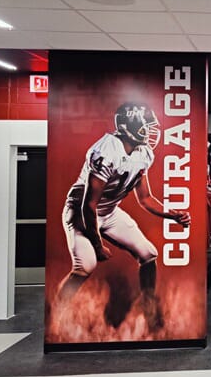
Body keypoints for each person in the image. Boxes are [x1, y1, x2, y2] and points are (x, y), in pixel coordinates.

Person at [55, 102, 190, 329]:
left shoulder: (143, 153)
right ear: (130, 127)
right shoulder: (106, 151)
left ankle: (149, 307)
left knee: (148, 254)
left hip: (108, 211)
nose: (152, 132)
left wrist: (172, 215)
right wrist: (97, 245)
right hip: (80, 213)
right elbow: (89, 205)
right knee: (85, 266)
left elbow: (145, 198)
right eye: (146, 126)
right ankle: (57, 315)